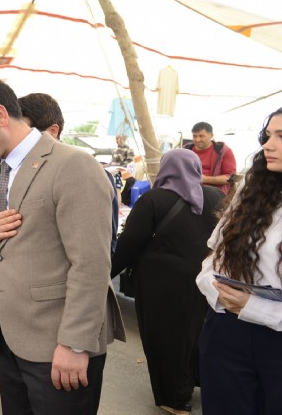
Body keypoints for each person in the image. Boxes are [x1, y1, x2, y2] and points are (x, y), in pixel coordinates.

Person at [0, 76, 125, 415]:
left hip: (57, 344)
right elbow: (2, 242)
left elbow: (92, 265)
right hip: (11, 339)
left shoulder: (74, 165)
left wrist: (75, 344)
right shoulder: (3, 171)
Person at [110, 149, 224, 415]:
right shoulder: (215, 196)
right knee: (196, 331)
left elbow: (130, 244)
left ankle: (175, 399)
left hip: (160, 286)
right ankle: (197, 379)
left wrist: (107, 271)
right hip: (204, 280)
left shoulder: (153, 199)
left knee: (165, 338)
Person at [195, 107, 282, 415]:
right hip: (225, 329)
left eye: (281, 136)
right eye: (267, 136)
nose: (268, 145)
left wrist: (253, 307)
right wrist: (214, 289)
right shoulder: (253, 189)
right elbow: (212, 257)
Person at [18, 92, 119, 254]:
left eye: (25, 135)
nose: (18, 142)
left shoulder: (90, 174)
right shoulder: (10, 170)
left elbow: (104, 245)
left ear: (52, 131)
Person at [184, 121, 236, 195]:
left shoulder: (224, 151)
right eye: (194, 136)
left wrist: (205, 179)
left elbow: (230, 177)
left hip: (213, 193)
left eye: (201, 136)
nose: (197, 140)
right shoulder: (186, 150)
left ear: (211, 135)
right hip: (187, 189)